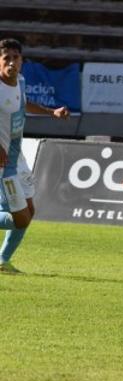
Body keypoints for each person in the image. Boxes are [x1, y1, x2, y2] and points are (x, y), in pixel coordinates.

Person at [0, 38, 70, 274]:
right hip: (2, 163)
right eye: (6, 57)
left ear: (22, 60)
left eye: (15, 57)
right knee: (21, 218)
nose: (11, 62)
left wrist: (52, 112)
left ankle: (2, 261)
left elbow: (23, 104)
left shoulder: (19, 81)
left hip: (17, 157)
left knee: (29, 211)